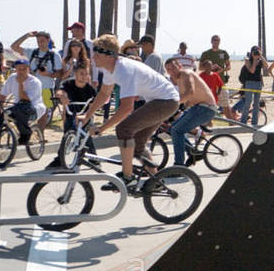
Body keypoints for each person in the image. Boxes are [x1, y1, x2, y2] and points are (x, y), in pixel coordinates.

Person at [82, 35, 181, 192]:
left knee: (123, 129)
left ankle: (127, 177)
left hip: (166, 101)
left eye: (96, 54)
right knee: (138, 143)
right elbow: (103, 94)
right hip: (159, 101)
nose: (93, 57)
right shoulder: (109, 68)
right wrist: (86, 116)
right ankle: (157, 181)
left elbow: (126, 108)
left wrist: (102, 128)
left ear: (108, 55)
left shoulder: (124, 70)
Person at [167, 57, 220, 167]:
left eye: (173, 68)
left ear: (180, 66)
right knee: (173, 128)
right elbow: (189, 99)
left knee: (177, 131)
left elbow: (190, 92)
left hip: (205, 108)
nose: (171, 71)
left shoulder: (186, 73)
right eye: (168, 69)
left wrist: (174, 104)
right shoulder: (179, 79)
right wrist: (180, 109)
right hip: (198, 107)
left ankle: (179, 166)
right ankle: (192, 152)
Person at [49, 61, 99, 167]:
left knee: (85, 136)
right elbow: (59, 91)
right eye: (81, 73)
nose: (84, 76)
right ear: (75, 74)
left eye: (86, 74)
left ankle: (94, 159)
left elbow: (93, 105)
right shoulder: (69, 84)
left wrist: (87, 117)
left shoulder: (90, 90)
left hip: (84, 115)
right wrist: (62, 96)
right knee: (67, 135)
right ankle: (59, 159)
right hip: (70, 114)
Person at [234, 46, 266, 125]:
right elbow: (252, 70)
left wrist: (261, 56)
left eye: (257, 51)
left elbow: (266, 66)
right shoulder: (247, 60)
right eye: (255, 51)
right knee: (248, 103)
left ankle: (254, 123)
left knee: (256, 104)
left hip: (258, 83)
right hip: (249, 83)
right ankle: (243, 122)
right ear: (251, 52)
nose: (256, 53)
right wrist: (254, 60)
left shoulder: (260, 60)